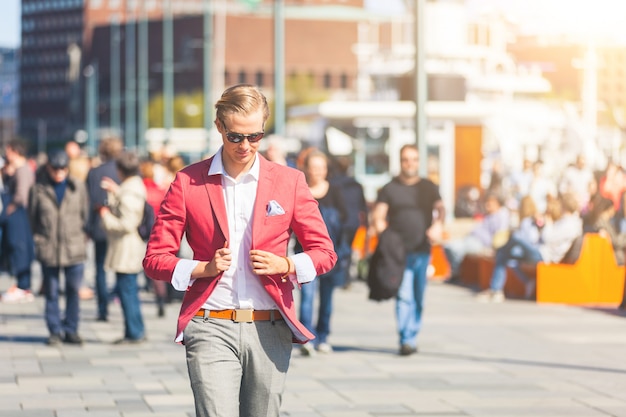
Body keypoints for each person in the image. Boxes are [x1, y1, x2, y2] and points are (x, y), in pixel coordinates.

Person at [142, 84, 337, 417]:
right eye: (235, 137)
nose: (245, 146)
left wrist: (287, 264)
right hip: (210, 322)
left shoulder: (289, 181)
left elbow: (324, 252)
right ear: (219, 126)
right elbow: (155, 258)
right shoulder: (188, 182)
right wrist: (200, 269)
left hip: (270, 325)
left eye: (255, 136)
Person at [370, 144, 445, 356]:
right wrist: (386, 237)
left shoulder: (428, 187)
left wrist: (438, 224)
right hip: (398, 253)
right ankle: (406, 339)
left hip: (422, 250)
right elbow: (378, 216)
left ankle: (413, 332)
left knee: (419, 296)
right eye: (405, 159)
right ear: (400, 161)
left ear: (418, 162)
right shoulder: (390, 188)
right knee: (404, 296)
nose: (409, 163)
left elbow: (440, 208)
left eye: (413, 159)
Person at [29, 150, 89, 345]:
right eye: (55, 168)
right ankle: (54, 331)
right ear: (48, 168)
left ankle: (71, 330)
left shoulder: (77, 187)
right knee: (52, 292)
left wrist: (81, 236)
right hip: (49, 247)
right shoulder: (38, 189)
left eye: (63, 168)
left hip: (73, 246)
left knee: (73, 290)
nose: (59, 172)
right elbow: (32, 218)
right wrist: (39, 238)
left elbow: (85, 215)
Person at [478, 193, 582, 303]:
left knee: (516, 237)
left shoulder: (570, 224)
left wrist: (547, 222)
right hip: (540, 250)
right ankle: (496, 291)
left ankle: (501, 251)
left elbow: (547, 237)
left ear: (564, 205)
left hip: (545, 255)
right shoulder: (565, 221)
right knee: (503, 255)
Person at [296, 149, 347, 356]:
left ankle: (323, 336)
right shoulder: (301, 190)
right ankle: (307, 336)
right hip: (305, 253)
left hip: (330, 254)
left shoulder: (335, 192)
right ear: (306, 169)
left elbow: (346, 220)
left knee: (327, 298)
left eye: (321, 167)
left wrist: (344, 248)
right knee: (307, 297)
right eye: (314, 167)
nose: (318, 172)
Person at [99, 151, 147, 344]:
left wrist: (105, 215)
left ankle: (134, 331)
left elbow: (127, 223)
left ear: (120, 170)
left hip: (127, 249)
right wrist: (115, 191)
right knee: (129, 290)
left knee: (127, 292)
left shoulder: (130, 191)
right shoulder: (132, 186)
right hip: (128, 248)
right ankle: (134, 330)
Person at [85, 136, 122, 321]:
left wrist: (88, 227)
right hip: (120, 227)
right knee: (121, 268)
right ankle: (122, 304)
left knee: (100, 268)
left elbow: (90, 200)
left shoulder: (94, 172)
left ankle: (102, 308)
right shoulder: (124, 171)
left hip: (100, 224)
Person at [443, 192, 510, 281]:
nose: (487, 204)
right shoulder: (488, 215)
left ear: (497, 203)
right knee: (448, 245)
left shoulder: (501, 216)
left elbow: (500, 235)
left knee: (454, 248)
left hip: (481, 243)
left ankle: (456, 271)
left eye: (490, 202)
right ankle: (456, 270)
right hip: (471, 239)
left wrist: (494, 248)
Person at [0, 139, 36, 303]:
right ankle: (22, 285)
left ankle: (23, 286)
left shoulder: (23, 170)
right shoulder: (19, 169)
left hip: (19, 214)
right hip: (19, 214)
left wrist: (9, 209)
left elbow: (22, 195)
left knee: (20, 248)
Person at [329, 155, 368, 290]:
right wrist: (366, 223)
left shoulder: (333, 183)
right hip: (352, 222)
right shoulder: (356, 184)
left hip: (338, 222)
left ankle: (339, 277)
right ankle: (344, 278)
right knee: (347, 250)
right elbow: (363, 206)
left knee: (339, 249)